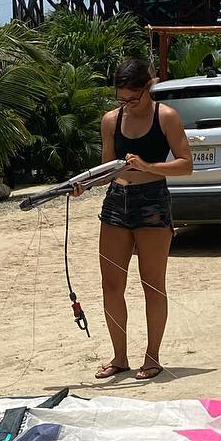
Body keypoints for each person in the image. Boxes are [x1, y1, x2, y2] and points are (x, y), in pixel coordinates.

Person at [91, 56, 193, 382]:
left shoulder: (166, 117)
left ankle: (152, 356)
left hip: (153, 202)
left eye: (133, 98)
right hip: (116, 203)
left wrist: (149, 167)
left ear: (148, 87)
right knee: (111, 286)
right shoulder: (110, 120)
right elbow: (106, 168)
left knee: (152, 284)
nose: (128, 105)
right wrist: (85, 184)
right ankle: (119, 357)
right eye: (122, 99)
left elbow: (185, 164)